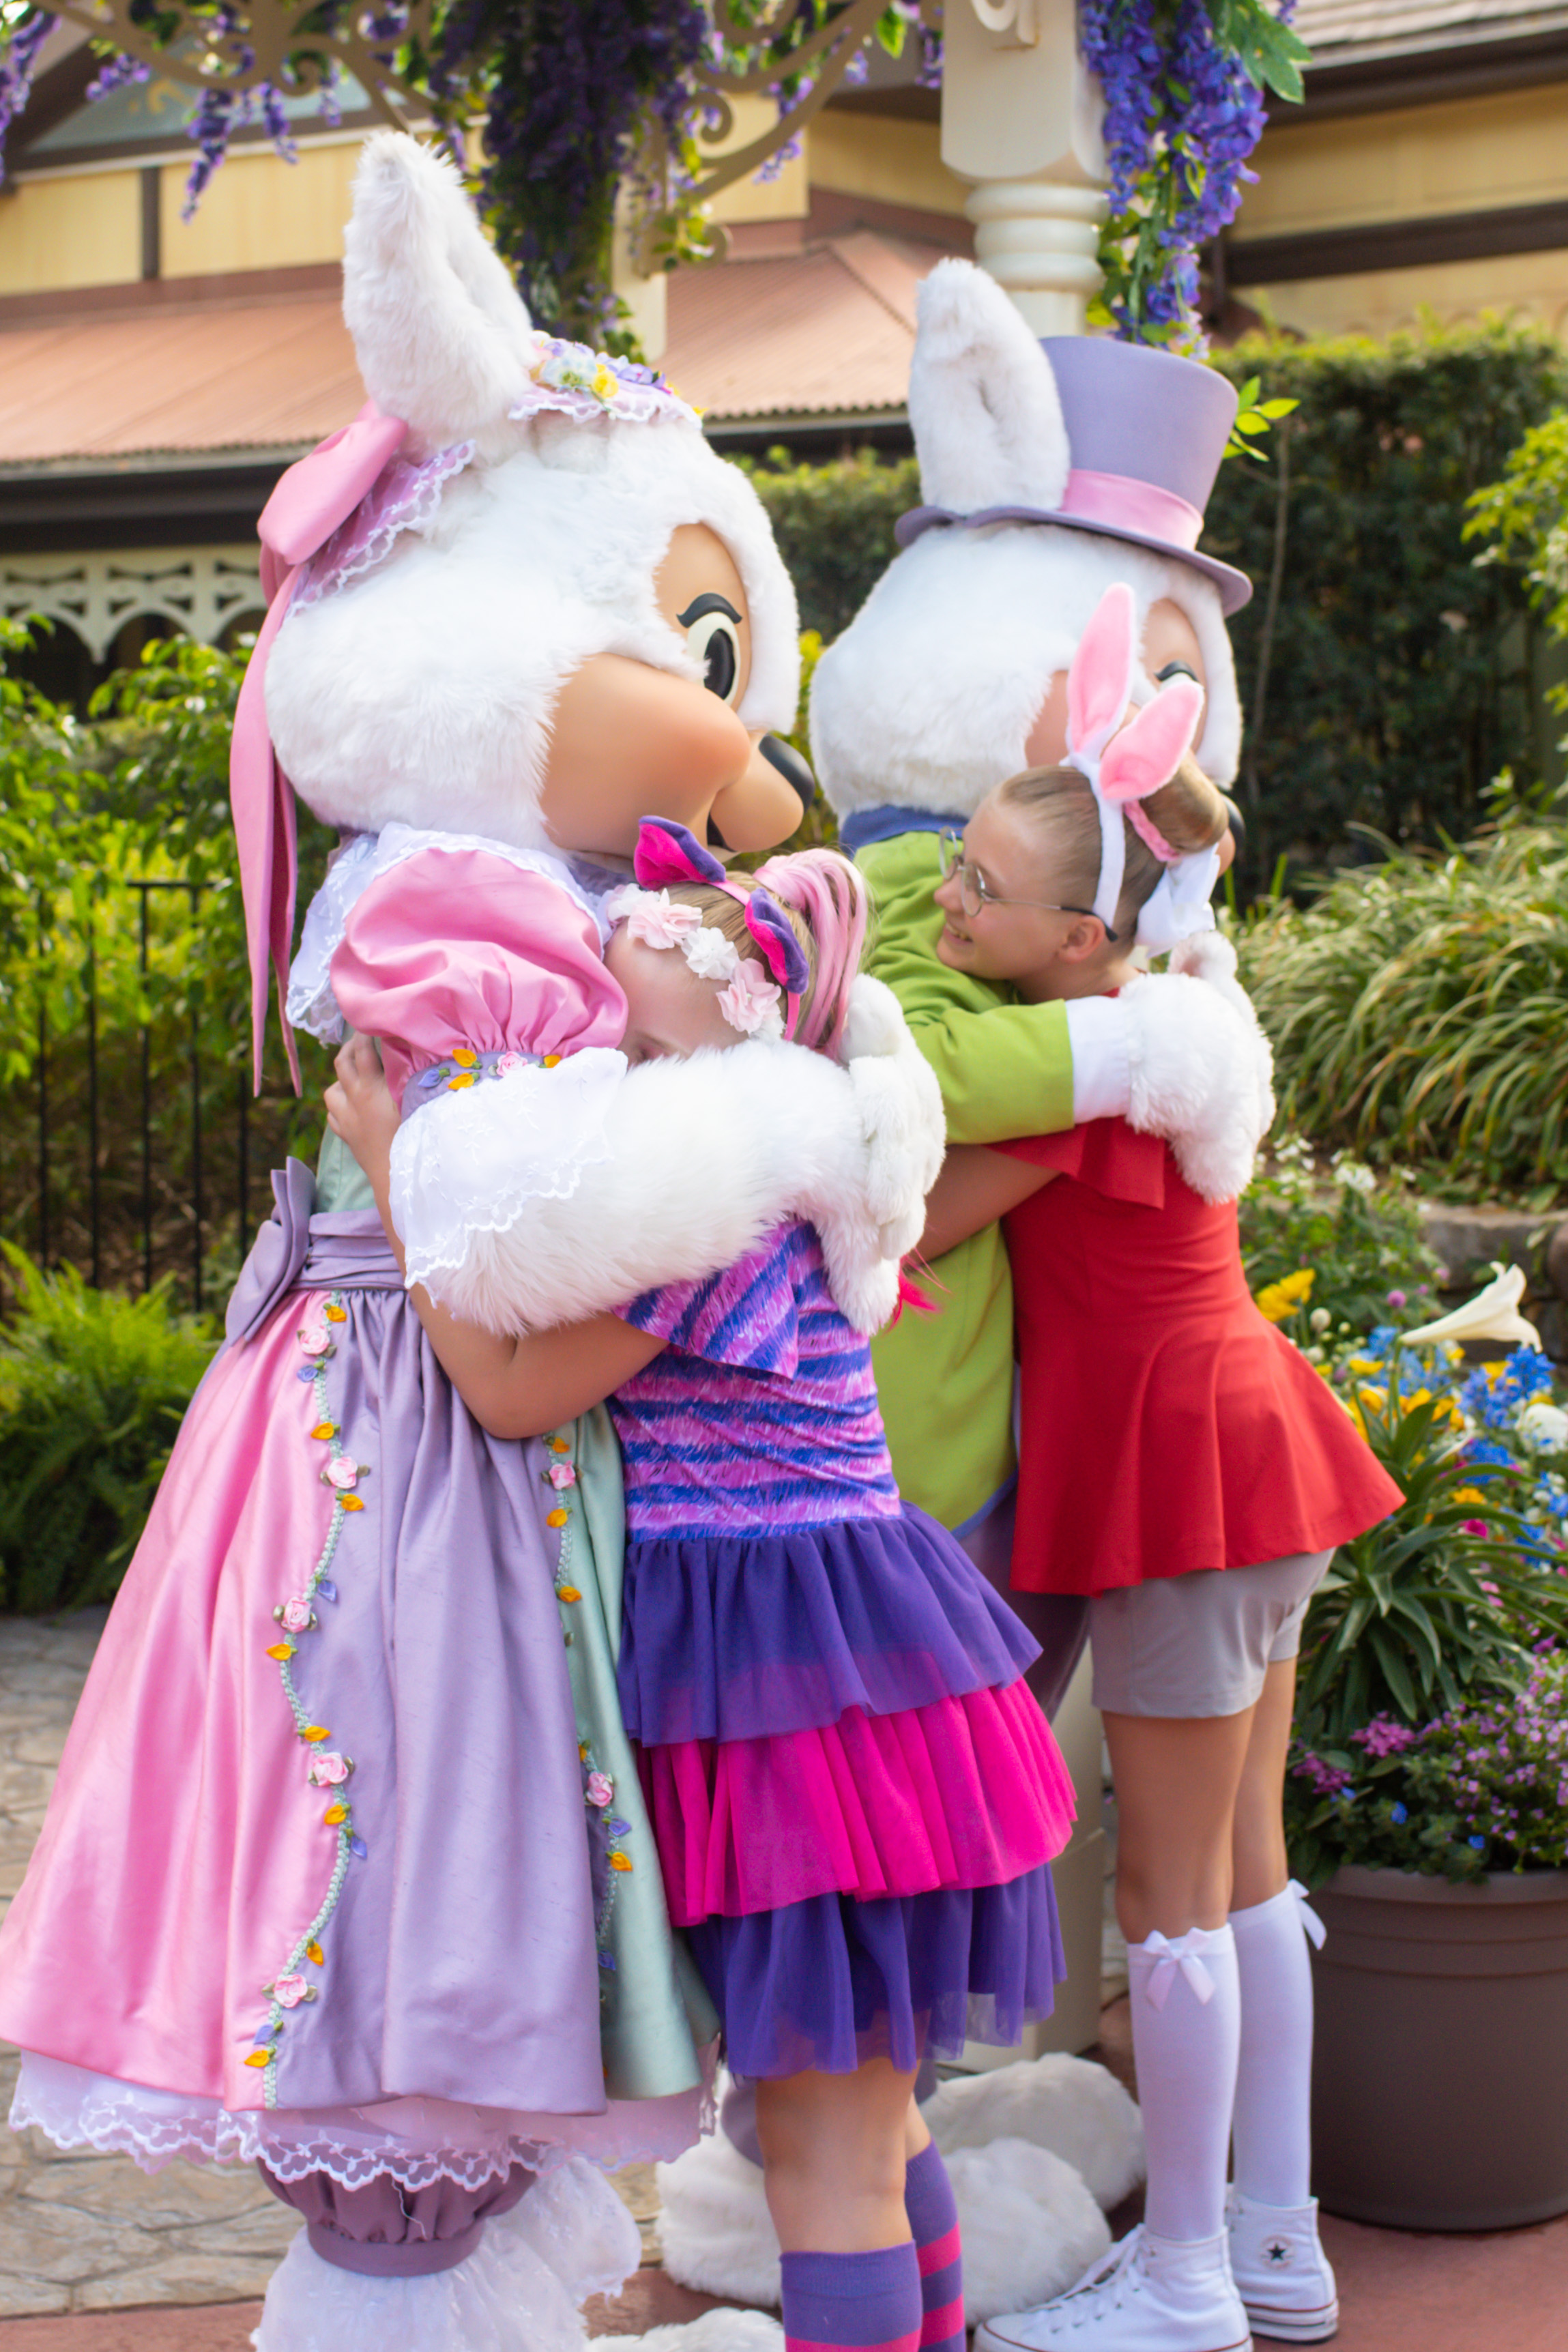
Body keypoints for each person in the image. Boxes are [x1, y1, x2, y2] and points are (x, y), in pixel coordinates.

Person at [327, 819, 1077, 2352]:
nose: (619, 1075)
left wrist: (404, 1186)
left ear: (743, 1056)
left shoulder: (711, 1211)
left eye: (652, 1050)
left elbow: (511, 1394)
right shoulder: (786, 1181)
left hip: (794, 1712)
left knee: (822, 2151)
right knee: (872, 2127)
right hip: (845, 1684)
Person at [908, 591, 1401, 2352]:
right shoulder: (1162, 1008)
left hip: (1189, 1480)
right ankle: (1275, 2240)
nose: (944, 901)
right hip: (1255, 1458)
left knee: (1166, 1898)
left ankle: (1187, 2277)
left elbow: (913, 1214)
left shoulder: (1088, 1082)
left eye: (975, 885)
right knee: (1250, 1875)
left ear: (1071, 938)